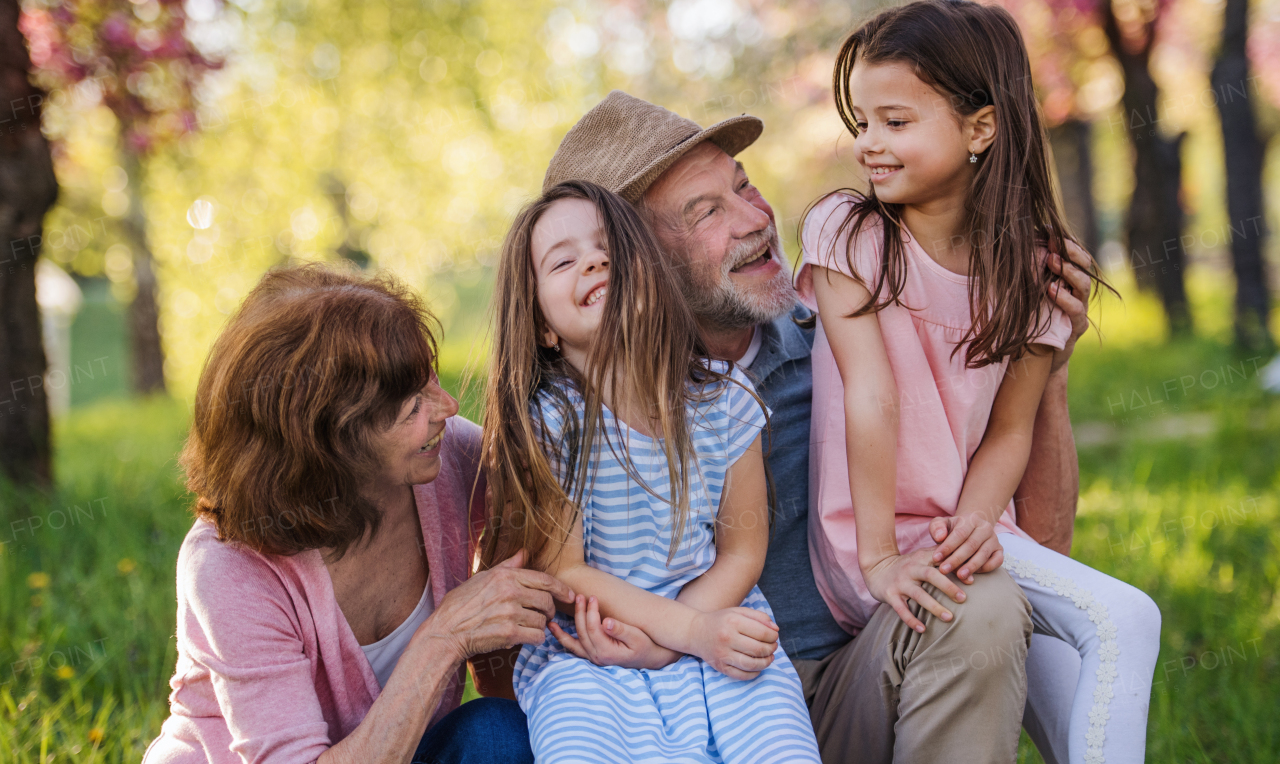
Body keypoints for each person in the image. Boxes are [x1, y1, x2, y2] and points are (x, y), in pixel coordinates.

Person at [533, 86, 1098, 763]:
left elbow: (1044, 549)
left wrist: (1046, 370)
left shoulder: (855, 347)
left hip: (849, 693)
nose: (756, 219)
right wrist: (663, 641)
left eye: (745, 187)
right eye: (707, 210)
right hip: (666, 714)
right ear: (630, 259)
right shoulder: (567, 419)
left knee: (974, 600)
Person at [797, 0, 1161, 764]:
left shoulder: (1036, 268)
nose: (869, 144)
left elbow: (1011, 430)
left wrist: (977, 516)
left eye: (896, 122)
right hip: (877, 544)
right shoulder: (849, 233)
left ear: (980, 129)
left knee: (1073, 688)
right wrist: (877, 559)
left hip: (971, 527)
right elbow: (872, 395)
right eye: (862, 122)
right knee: (1125, 621)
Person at [144, 264, 573, 764]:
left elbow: (560, 505)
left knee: (498, 734)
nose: (449, 406)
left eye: (431, 379)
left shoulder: (442, 459)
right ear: (331, 444)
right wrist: (444, 639)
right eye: (413, 406)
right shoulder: (230, 569)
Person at [479, 181, 821, 763]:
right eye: (564, 261)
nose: (593, 260)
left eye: (608, 248)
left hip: (718, 620)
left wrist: (684, 639)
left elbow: (742, 553)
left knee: (779, 747)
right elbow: (567, 573)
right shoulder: (552, 424)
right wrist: (682, 635)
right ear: (542, 326)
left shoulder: (726, 402)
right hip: (589, 655)